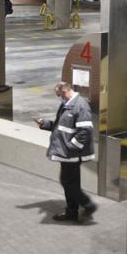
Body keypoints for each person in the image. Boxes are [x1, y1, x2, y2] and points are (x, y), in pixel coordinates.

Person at [35, 82, 97, 222]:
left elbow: (85, 131)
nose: (59, 98)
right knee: (71, 182)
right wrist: (45, 124)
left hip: (71, 154)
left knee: (67, 182)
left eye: (59, 95)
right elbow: (60, 127)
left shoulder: (80, 105)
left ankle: (82, 207)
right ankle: (77, 209)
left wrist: (72, 147)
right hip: (67, 153)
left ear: (64, 92)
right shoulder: (67, 105)